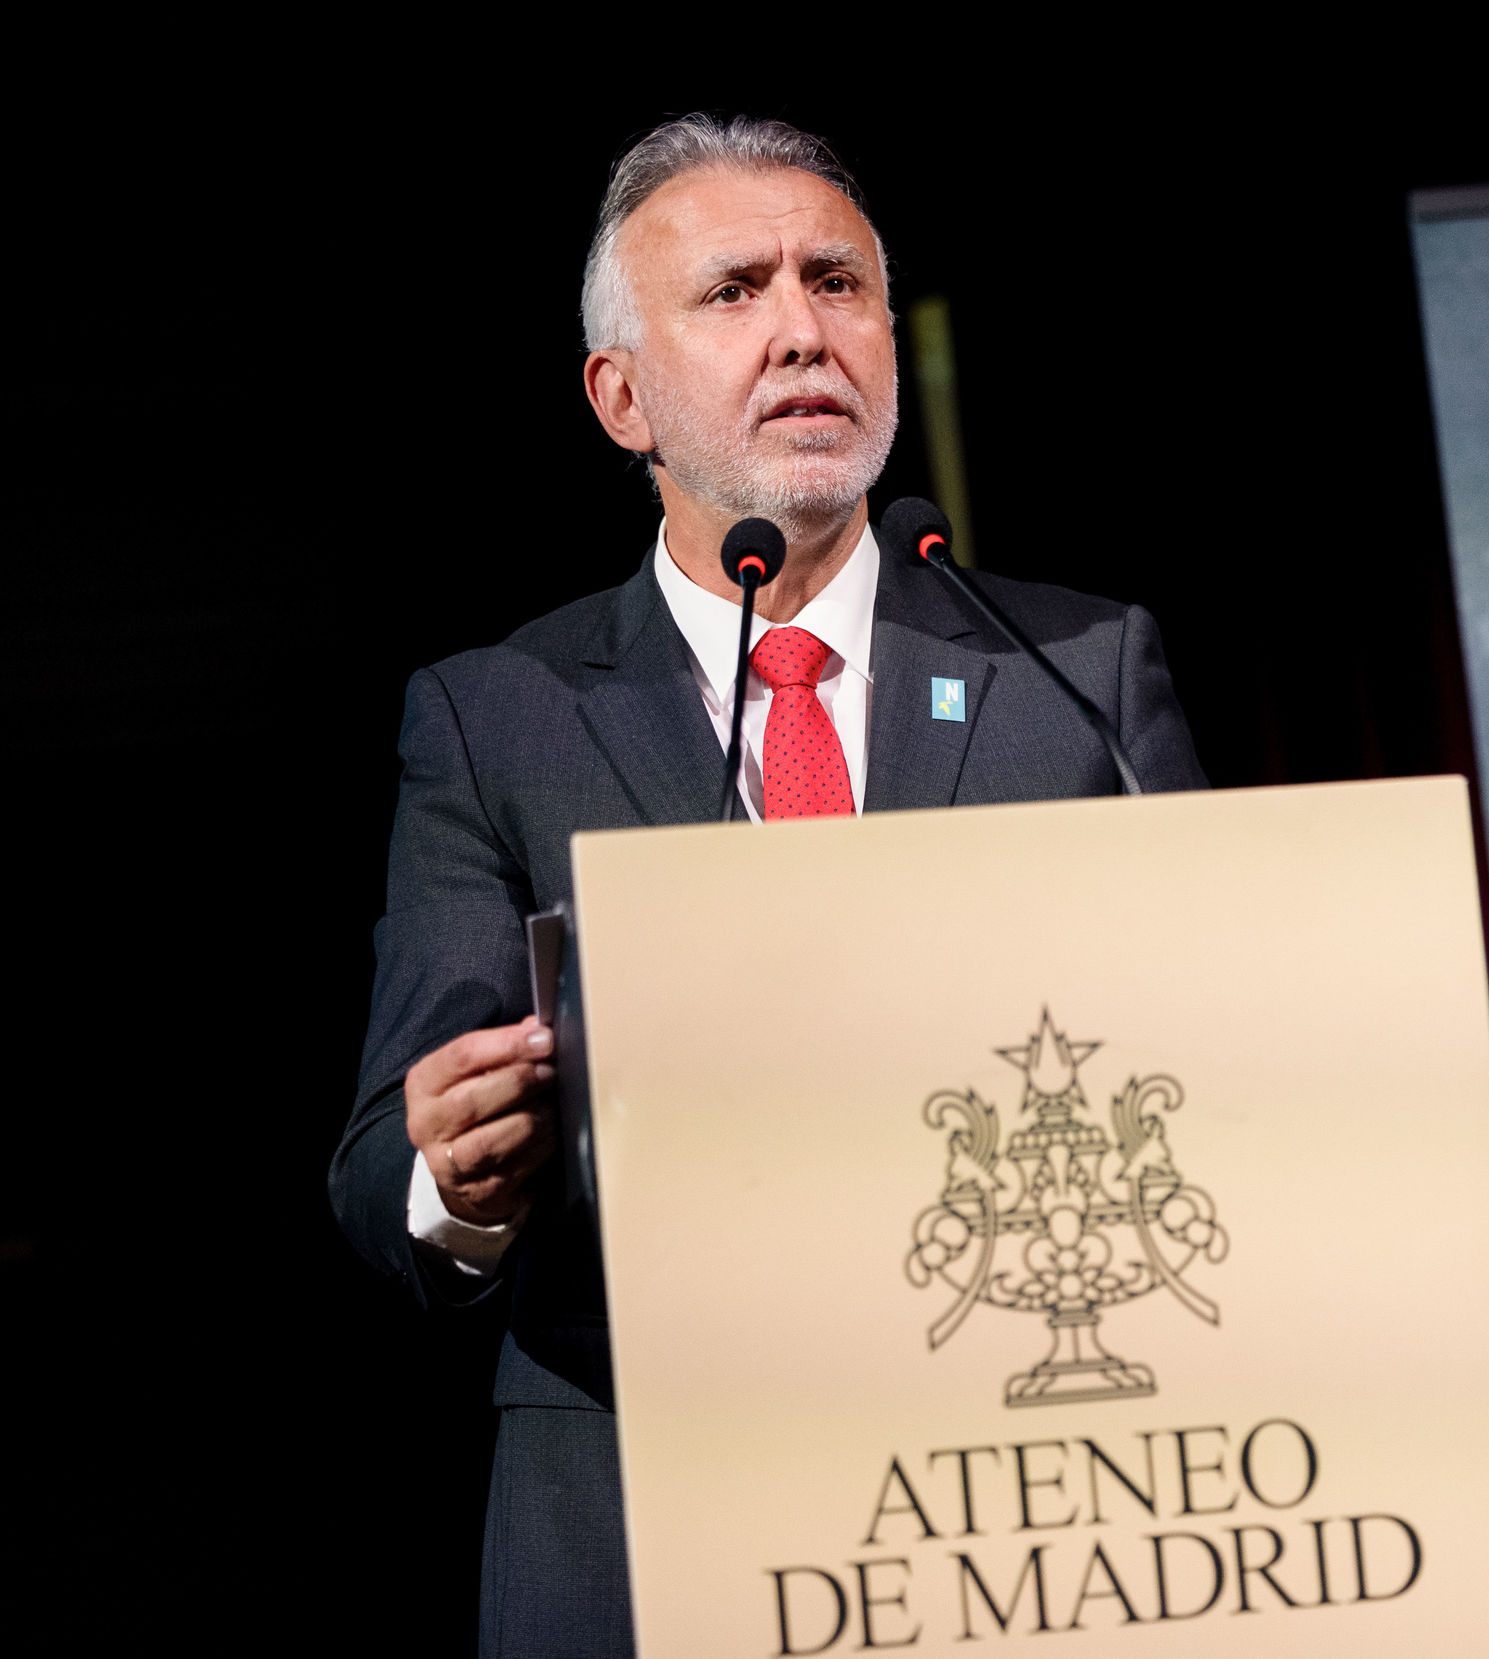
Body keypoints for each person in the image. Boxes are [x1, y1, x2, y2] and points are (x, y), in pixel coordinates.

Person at [329, 113, 1204, 1658]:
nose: (803, 330)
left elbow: (1229, 1056)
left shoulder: (1073, 672)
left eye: (837, 283)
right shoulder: (497, 718)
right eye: (735, 292)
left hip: (1038, 1493)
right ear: (621, 397)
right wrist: (451, 1179)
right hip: (641, 1497)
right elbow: (382, 1159)